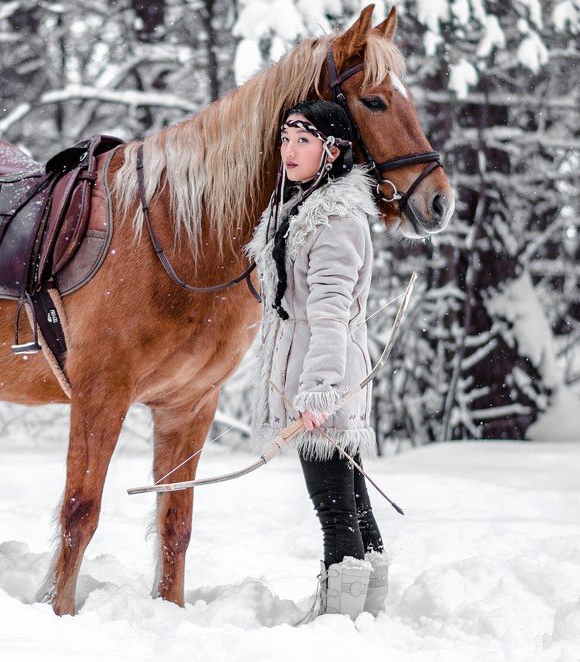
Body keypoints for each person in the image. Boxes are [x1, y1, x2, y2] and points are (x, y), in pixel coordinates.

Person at [244, 99, 389, 620]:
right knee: (351, 495)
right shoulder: (301, 208)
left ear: (333, 151)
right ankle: (367, 609)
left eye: (303, 139)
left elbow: (329, 312)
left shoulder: (335, 218)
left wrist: (320, 389)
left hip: (323, 375)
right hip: (314, 370)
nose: (288, 150)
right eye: (286, 138)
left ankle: (339, 618)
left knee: (333, 506)